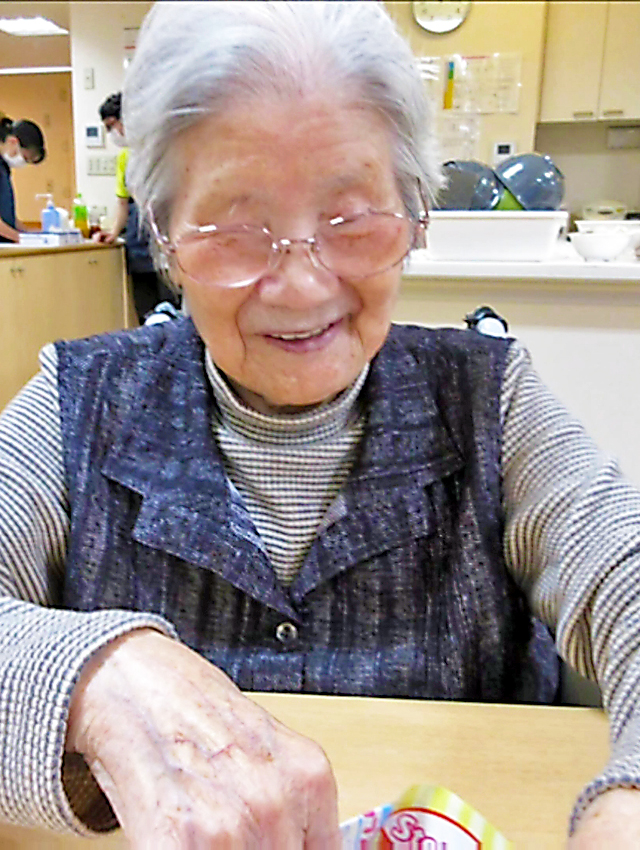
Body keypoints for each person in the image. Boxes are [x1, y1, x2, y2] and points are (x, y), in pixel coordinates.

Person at [0, 2, 639, 847]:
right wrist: (93, 678)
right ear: (165, 234)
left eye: (353, 220)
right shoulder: (77, 402)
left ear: (414, 210)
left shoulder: (491, 400)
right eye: (236, 230)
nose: (302, 287)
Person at [93, 92, 178, 323]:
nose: (113, 133)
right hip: (137, 244)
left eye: (113, 125)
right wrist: (113, 232)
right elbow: (123, 203)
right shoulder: (124, 158)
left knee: (172, 311)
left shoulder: (162, 150)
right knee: (146, 313)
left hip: (164, 242)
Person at [0, 117, 46, 243]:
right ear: (12, 142)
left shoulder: (4, 168)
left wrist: (32, 234)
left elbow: (7, 217)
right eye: (25, 158)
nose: (23, 163)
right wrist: (21, 239)